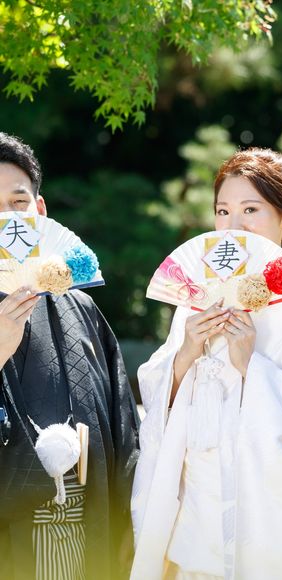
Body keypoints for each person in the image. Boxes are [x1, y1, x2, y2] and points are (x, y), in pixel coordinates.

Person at [131, 148, 282, 580]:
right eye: (223, 211)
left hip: (264, 515)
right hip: (195, 515)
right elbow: (158, 395)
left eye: (251, 210)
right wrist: (186, 354)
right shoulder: (198, 296)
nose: (234, 225)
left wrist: (253, 367)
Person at [0, 132, 140, 580]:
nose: (7, 219)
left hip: (87, 526)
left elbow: (122, 419)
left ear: (40, 212)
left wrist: (132, 520)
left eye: (18, 203)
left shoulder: (77, 305)